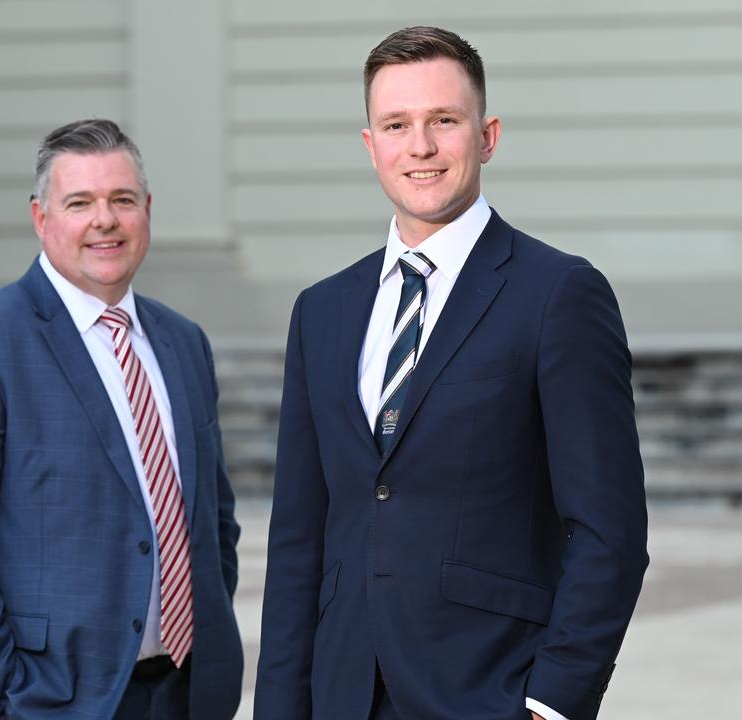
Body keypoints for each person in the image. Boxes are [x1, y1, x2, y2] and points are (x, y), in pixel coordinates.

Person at [254, 26, 649, 720]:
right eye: (397, 125)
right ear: (370, 145)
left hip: (487, 691)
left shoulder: (558, 294)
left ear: (488, 135)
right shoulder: (321, 312)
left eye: (444, 121)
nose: (422, 147)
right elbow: (297, 543)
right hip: (341, 694)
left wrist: (553, 701)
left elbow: (610, 529)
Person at [0, 118, 242, 720]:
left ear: (147, 211)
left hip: (186, 695)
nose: (104, 220)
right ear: (40, 218)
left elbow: (213, 520)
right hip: (43, 698)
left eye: (122, 200)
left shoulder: (184, 342)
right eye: (79, 202)